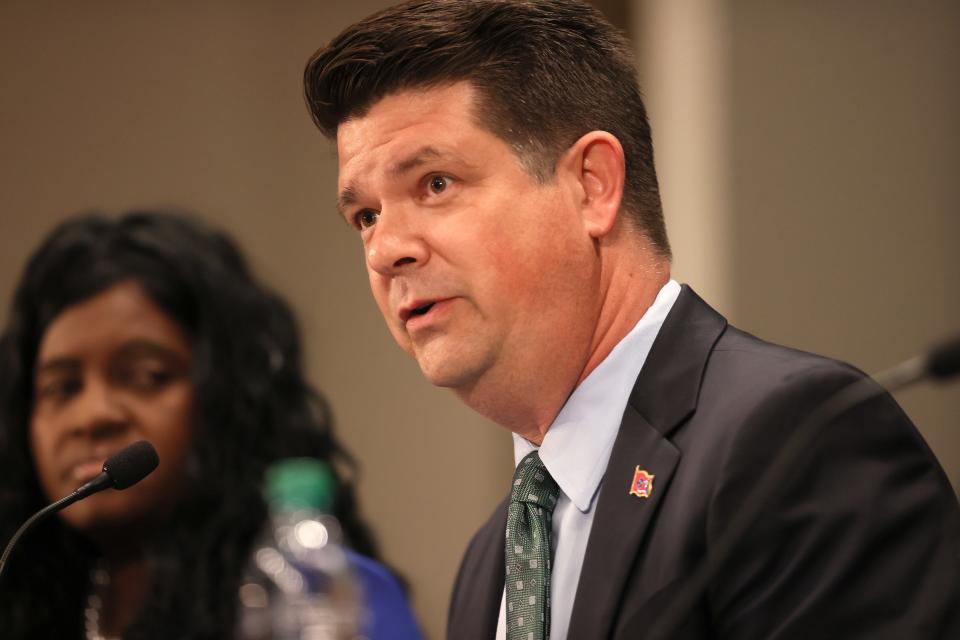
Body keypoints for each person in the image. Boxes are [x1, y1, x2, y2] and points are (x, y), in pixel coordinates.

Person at [303, 1, 960, 638]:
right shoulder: (490, 561)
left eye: (435, 184)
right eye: (365, 217)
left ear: (592, 185)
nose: (388, 250)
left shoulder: (795, 442)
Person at [0, 211, 421, 639]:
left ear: (228, 398)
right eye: (62, 387)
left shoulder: (317, 595)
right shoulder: (24, 605)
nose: (92, 416)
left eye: (148, 376)